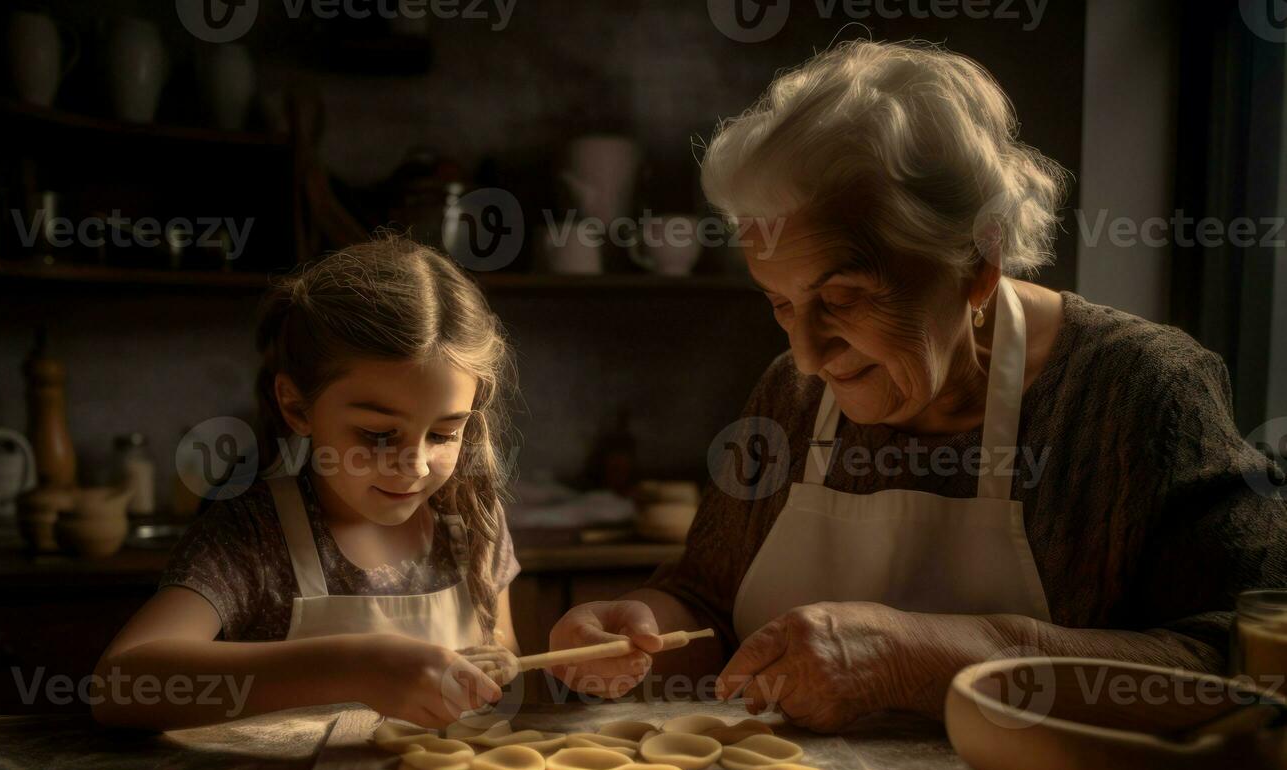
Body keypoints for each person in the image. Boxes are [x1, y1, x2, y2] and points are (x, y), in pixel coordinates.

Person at [548, 40, 1287, 730]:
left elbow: (1244, 663)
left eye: (842, 298)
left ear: (978, 261)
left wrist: (935, 659)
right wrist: (637, 625)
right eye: (780, 302)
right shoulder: (792, 399)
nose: (806, 355)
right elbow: (704, 604)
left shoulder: (1138, 391)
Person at [93, 237, 521, 730]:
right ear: (297, 407)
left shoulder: (470, 518)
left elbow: (502, 657)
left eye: (444, 433)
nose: (417, 465)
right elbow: (121, 685)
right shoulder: (255, 534)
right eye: (379, 434)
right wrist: (356, 668)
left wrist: (572, 662)